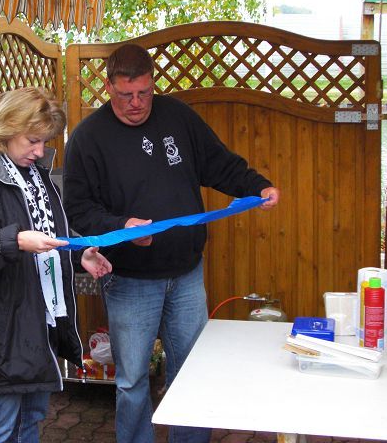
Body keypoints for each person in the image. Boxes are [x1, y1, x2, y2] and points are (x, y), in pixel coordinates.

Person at [63, 44, 280, 443]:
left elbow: (218, 163)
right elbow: (77, 209)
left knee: (193, 371)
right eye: (126, 94)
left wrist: (257, 186)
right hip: (129, 280)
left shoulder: (177, 116)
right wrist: (122, 227)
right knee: (132, 380)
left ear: (153, 84)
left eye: (144, 92)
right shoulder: (88, 138)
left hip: (186, 274)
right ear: (108, 86)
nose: (136, 103)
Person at [0, 87, 112, 443]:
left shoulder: (35, 173)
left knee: (30, 420)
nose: (40, 151)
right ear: (8, 130)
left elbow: (48, 235)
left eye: (44, 142)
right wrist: (13, 240)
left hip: (36, 323)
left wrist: (78, 255)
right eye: (33, 141)